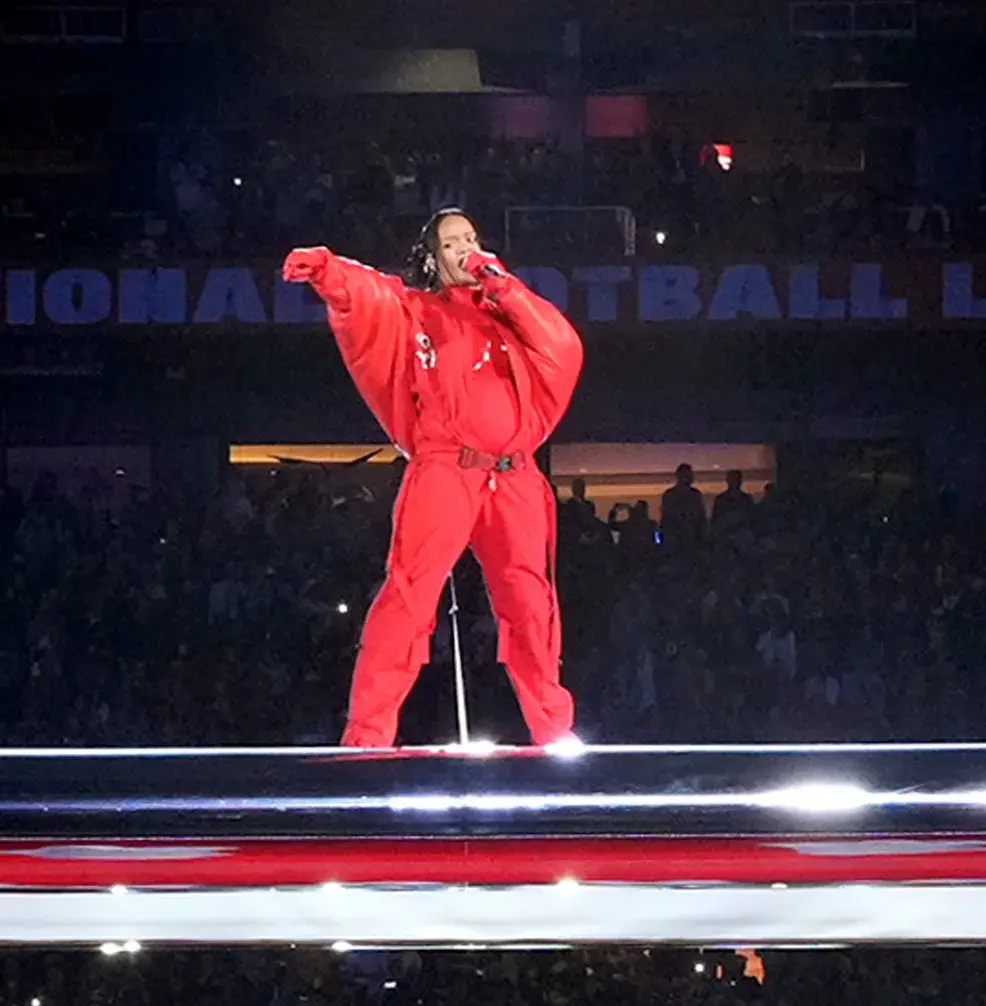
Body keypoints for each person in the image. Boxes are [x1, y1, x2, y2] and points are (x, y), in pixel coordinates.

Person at [282, 208, 583, 747]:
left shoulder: (508, 311)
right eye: (452, 243)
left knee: (531, 608)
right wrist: (329, 271)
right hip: (447, 468)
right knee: (409, 596)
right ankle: (368, 735)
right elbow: (371, 297)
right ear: (433, 257)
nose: (467, 249)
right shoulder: (418, 310)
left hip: (512, 475)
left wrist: (504, 288)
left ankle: (554, 731)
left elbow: (561, 345)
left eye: (472, 237)